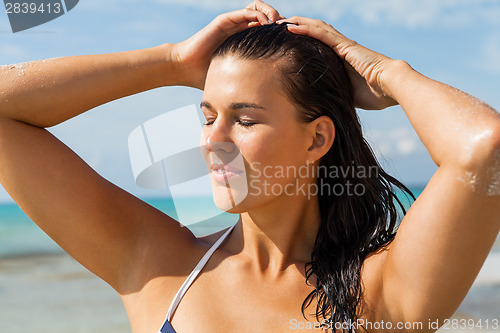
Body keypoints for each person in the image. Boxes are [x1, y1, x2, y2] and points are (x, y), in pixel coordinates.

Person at [0, 1, 499, 332]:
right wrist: (171, 61)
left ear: (317, 138)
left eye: (244, 119)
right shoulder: (158, 266)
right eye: (208, 115)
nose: (213, 140)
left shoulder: (383, 290)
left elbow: (485, 148)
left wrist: (384, 73)